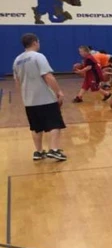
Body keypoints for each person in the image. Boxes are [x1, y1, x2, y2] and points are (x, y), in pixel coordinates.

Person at [13, 33, 67, 161]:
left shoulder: (17, 60)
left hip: (29, 100)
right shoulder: (38, 56)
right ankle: (54, 150)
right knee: (55, 123)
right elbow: (47, 76)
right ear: (35, 42)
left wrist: (23, 97)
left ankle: (38, 152)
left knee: (36, 126)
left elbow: (17, 82)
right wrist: (58, 91)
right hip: (45, 98)